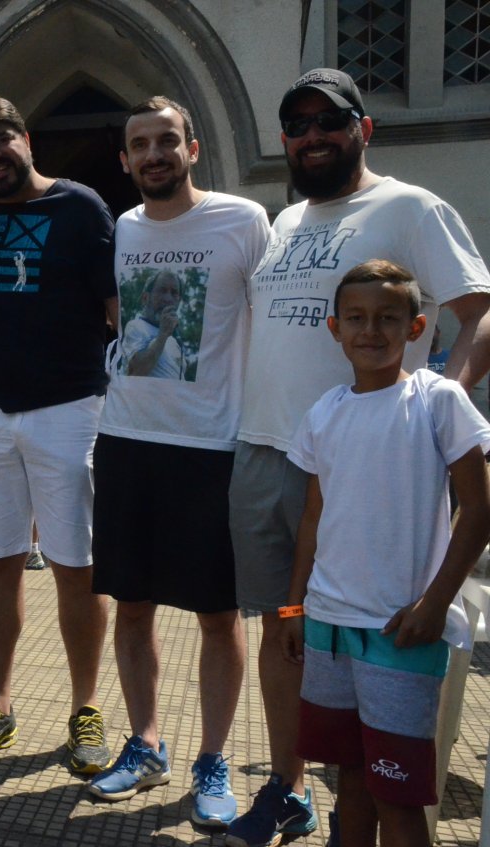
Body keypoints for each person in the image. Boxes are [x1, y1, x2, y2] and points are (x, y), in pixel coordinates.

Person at [227, 68, 490, 847]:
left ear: (363, 129)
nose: (313, 136)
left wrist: (437, 401)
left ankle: (370, 791)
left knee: (379, 648)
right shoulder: (283, 220)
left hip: (361, 472)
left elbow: (477, 311)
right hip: (268, 452)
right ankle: (287, 784)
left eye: (328, 121)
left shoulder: (409, 205)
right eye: (298, 125)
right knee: (286, 629)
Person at [86, 98, 269, 830]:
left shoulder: (243, 221)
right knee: (131, 606)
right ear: (126, 160)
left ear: (193, 147)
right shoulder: (123, 228)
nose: (155, 153)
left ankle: (212, 760)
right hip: (127, 442)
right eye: (141, 144)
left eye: (168, 140)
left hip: (211, 450)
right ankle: (146, 742)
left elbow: (274, 324)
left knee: (219, 616)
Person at [282, 259, 490, 847]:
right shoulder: (325, 412)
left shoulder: (439, 401)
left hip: (401, 632)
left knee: (397, 794)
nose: (371, 331)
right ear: (335, 329)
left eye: (387, 319)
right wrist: (295, 608)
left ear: (416, 328)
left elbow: (479, 510)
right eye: (356, 318)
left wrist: (434, 603)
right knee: (349, 777)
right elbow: (313, 519)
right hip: (329, 628)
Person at [0, 89, 114, 770]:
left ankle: (85, 709)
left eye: (0, 141)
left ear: (27, 139)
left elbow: (117, 311)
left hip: (69, 410)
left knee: (77, 565)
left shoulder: (80, 208)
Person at [122, 270, 184, 379]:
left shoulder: (175, 342)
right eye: (162, 291)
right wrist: (163, 334)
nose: (168, 299)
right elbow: (135, 372)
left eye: (174, 293)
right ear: (145, 298)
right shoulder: (135, 326)